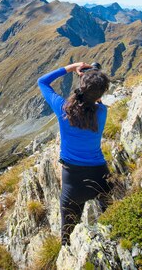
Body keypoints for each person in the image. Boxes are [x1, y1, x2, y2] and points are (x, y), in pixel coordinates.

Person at [37, 62, 111, 246]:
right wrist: (88, 83)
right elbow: (93, 102)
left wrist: (72, 68)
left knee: (67, 236)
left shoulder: (63, 109)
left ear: (81, 88)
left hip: (73, 181)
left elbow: (42, 82)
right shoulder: (102, 112)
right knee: (110, 224)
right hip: (100, 177)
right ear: (101, 93)